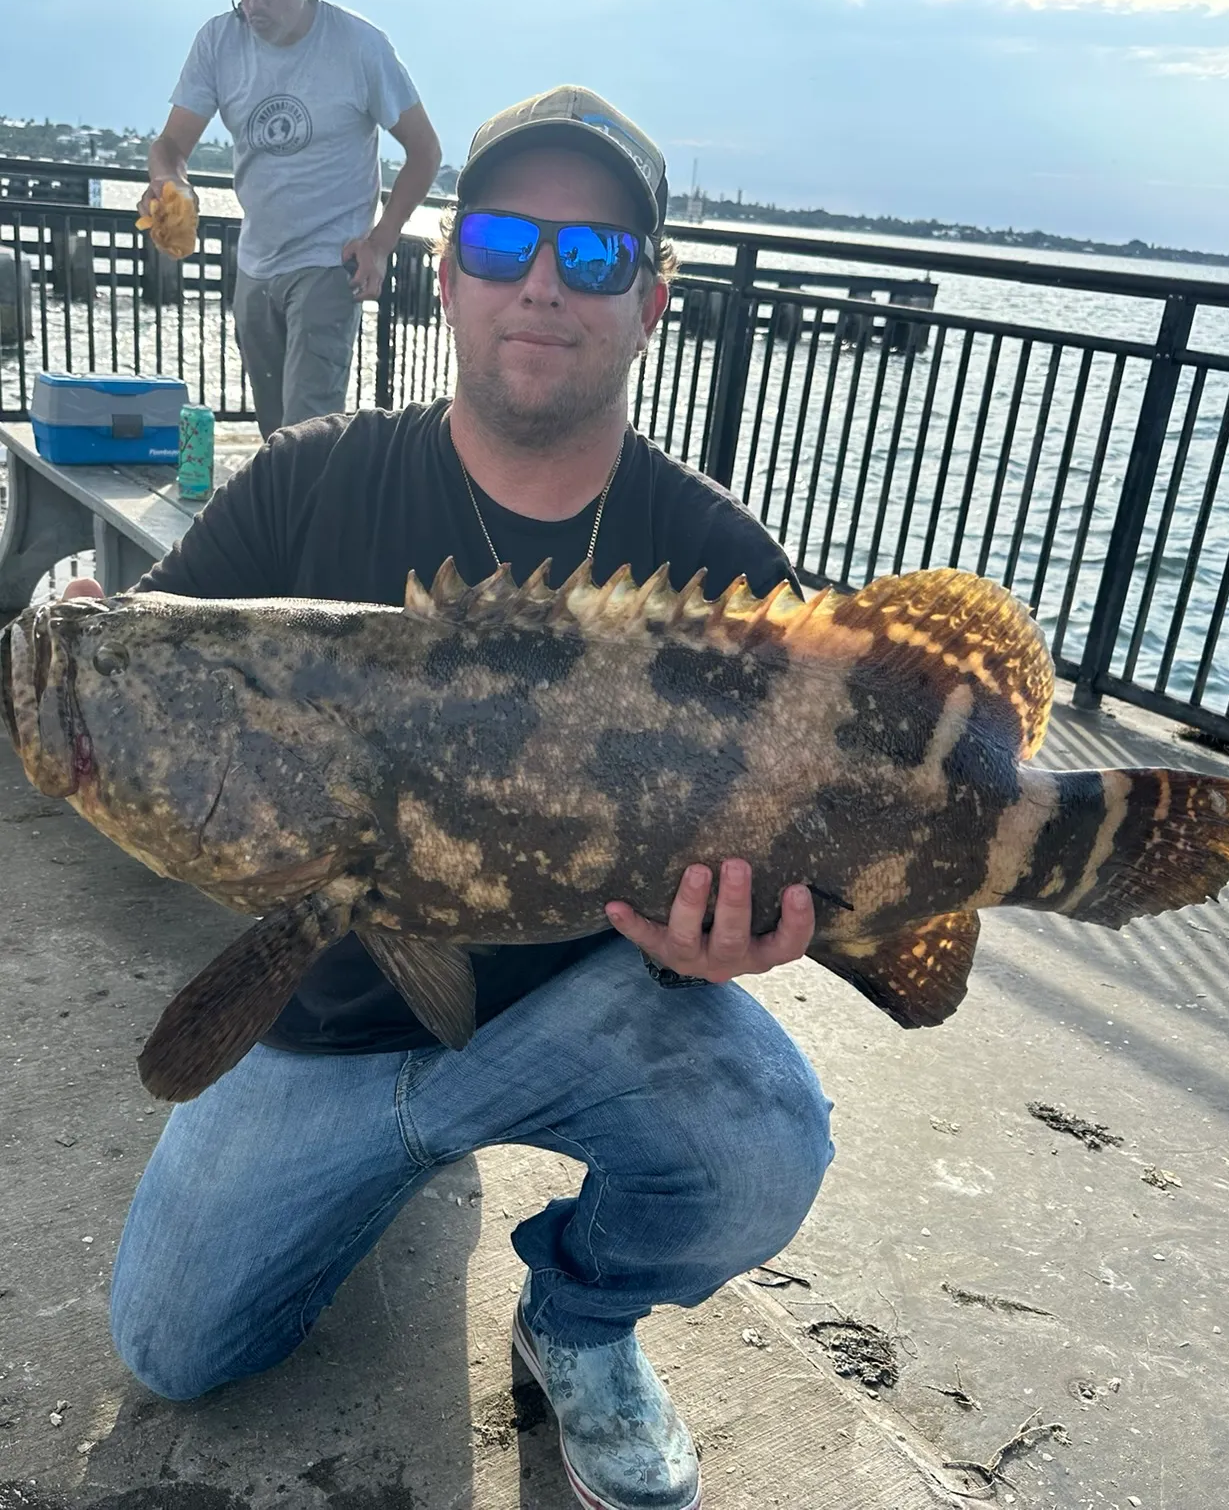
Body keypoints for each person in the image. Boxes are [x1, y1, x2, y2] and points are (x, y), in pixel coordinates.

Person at [68, 86, 832, 1510]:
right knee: (170, 1349)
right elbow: (144, 663)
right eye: (499, 241)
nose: (543, 283)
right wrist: (77, 639)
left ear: (652, 302)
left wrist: (729, 941)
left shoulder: (719, 563)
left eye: (594, 255)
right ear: (446, 272)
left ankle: (579, 1315)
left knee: (764, 1141)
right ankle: (377, 1171)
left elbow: (803, 821)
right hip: (321, 1030)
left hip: (584, 1012)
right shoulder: (308, 484)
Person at [142, 0, 442, 438]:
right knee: (274, 432)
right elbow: (170, 146)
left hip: (330, 259)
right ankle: (288, 488)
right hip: (255, 262)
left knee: (305, 431)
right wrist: (169, 183)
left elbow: (425, 151)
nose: (254, 1)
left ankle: (309, 486)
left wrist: (380, 244)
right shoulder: (217, 41)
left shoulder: (361, 46)